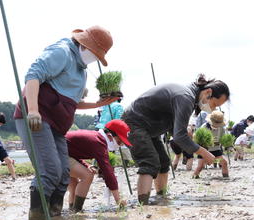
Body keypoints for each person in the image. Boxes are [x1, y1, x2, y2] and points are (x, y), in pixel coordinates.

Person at [14, 25, 116, 220]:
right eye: (96, 54)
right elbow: (33, 75)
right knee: (50, 170)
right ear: (85, 45)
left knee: (62, 174)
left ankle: (55, 218)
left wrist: (98, 104)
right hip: (38, 118)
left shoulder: (81, 70)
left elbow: (72, 103)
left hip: (57, 127)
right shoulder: (62, 52)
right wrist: (33, 110)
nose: (95, 59)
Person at [122, 74, 230, 205]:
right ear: (208, 92)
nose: (212, 109)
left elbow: (175, 130)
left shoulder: (189, 97)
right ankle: (143, 205)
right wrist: (203, 152)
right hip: (135, 124)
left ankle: (161, 198)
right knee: (149, 161)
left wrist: (186, 131)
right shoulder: (185, 97)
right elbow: (179, 137)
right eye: (214, 104)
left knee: (163, 162)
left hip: (150, 129)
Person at [66, 120, 130, 212]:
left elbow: (73, 151)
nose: (120, 145)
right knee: (87, 175)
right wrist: (118, 200)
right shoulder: (99, 142)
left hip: (60, 151)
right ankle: (77, 211)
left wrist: (85, 165)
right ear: (109, 136)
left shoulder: (97, 138)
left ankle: (72, 210)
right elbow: (108, 172)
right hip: (56, 153)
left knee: (74, 184)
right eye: (120, 142)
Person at [193, 110, 229, 178]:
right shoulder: (204, 127)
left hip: (216, 150)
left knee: (224, 163)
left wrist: (227, 144)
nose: (217, 126)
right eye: (215, 124)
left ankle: (226, 177)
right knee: (200, 166)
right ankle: (194, 177)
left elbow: (223, 139)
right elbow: (197, 139)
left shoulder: (221, 128)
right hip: (205, 151)